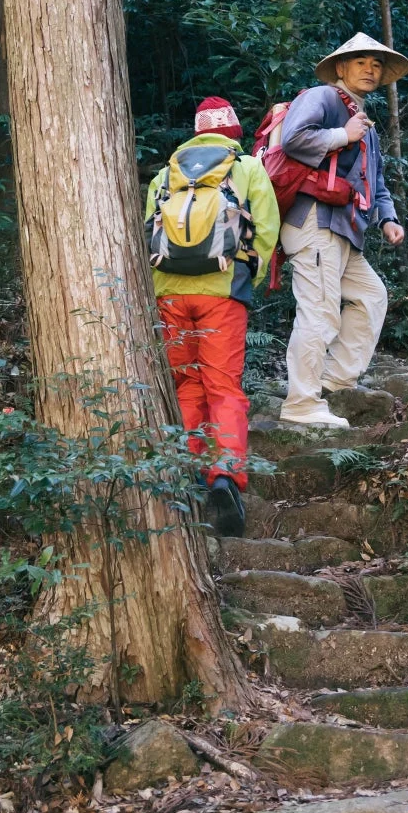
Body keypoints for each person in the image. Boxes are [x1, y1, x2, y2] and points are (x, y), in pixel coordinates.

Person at [145, 96, 281, 536]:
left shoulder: (166, 175)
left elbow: (149, 229)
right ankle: (224, 476)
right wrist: (248, 278)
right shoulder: (246, 168)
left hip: (169, 293)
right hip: (221, 292)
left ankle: (186, 471)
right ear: (233, 134)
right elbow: (266, 229)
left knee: (186, 383)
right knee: (222, 387)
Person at [276, 33, 407, 428]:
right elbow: (293, 137)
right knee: (319, 314)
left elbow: (376, 180)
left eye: (377, 64)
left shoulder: (366, 125)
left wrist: (388, 218)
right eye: (361, 61)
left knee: (371, 297)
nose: (371, 69)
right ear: (341, 68)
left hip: (345, 230)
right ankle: (301, 403)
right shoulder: (322, 97)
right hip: (314, 221)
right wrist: (341, 135)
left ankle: (333, 382)